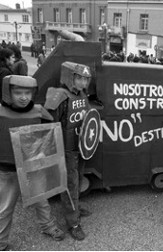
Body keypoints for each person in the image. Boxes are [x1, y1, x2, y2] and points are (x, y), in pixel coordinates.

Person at [0, 75, 65, 251]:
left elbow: (50, 134)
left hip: (32, 165)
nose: (23, 97)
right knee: (5, 208)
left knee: (41, 200)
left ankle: (48, 226)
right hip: (7, 169)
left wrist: (43, 152)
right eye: (18, 92)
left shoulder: (39, 111)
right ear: (8, 92)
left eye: (27, 92)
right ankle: (1, 242)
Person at [44, 62, 92, 241]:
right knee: (70, 184)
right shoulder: (60, 96)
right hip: (65, 150)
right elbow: (49, 125)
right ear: (69, 77)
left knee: (77, 179)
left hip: (80, 147)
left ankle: (76, 208)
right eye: (79, 78)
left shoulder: (82, 95)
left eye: (86, 79)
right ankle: (73, 222)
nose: (83, 83)